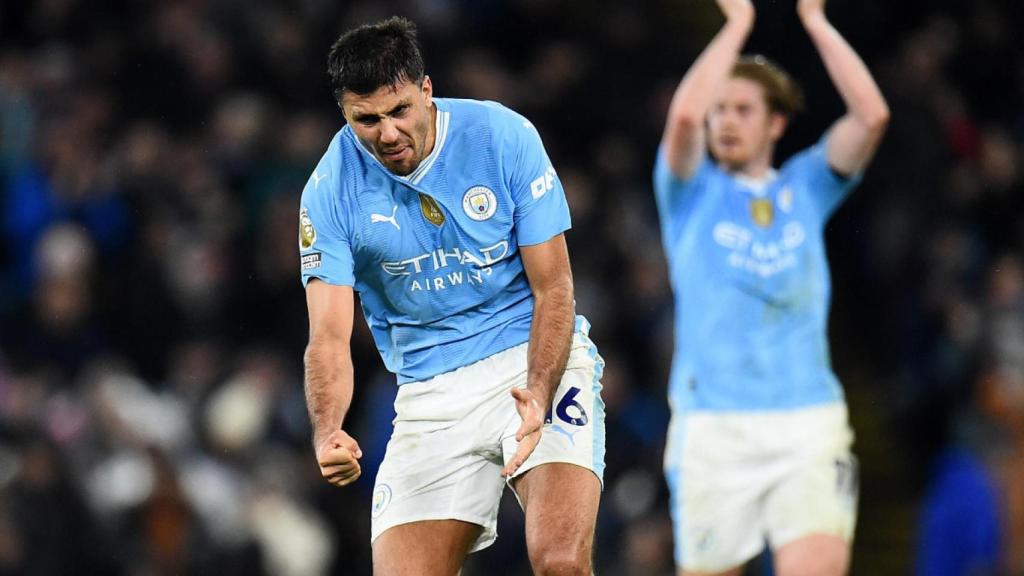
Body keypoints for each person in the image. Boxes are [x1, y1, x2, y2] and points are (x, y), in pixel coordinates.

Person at [298, 16, 605, 576]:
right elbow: (329, 336)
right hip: (430, 394)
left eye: (399, 111)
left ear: (426, 90)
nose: (387, 133)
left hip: (531, 361)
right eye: (366, 120)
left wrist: (538, 392)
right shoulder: (328, 191)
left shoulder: (502, 137)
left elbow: (555, 288)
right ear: (344, 114)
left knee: (560, 561)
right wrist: (328, 428)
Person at [654, 0, 889, 574]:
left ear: (776, 123)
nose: (725, 122)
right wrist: (737, 27)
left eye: (742, 110)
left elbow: (871, 116)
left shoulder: (807, 186)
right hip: (713, 427)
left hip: (806, 423)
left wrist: (816, 22)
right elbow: (683, 120)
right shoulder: (688, 191)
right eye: (720, 110)